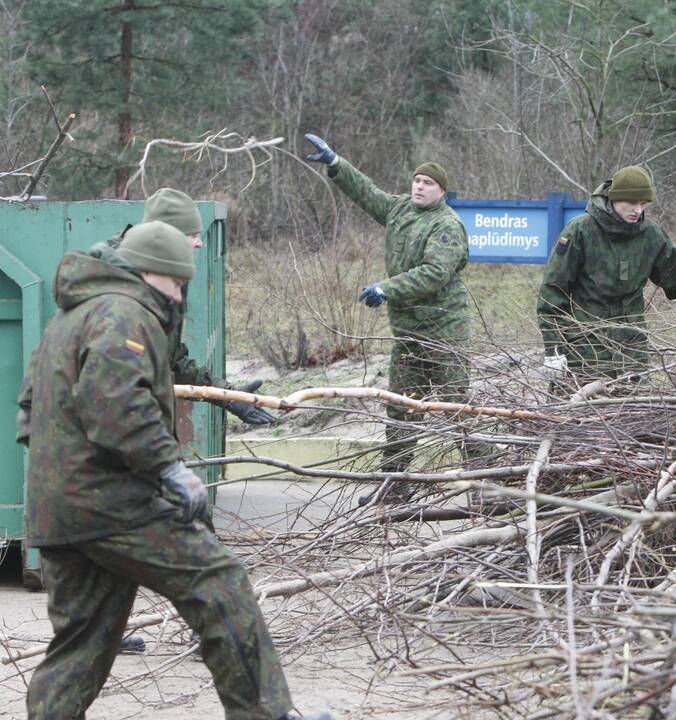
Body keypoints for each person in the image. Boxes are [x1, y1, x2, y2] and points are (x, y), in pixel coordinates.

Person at [15, 222, 329, 720]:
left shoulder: (73, 314)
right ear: (149, 273)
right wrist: (168, 468)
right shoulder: (124, 312)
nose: (179, 296)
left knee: (83, 643)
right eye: (176, 284)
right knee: (217, 579)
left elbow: (28, 409)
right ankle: (264, 713)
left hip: (59, 508)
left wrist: (62, 480)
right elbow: (115, 405)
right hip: (111, 502)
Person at [304, 134, 472, 488]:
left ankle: (492, 486)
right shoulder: (399, 209)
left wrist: (386, 288)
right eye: (417, 180)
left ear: (441, 191)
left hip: (444, 335)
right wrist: (336, 163)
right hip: (409, 334)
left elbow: (434, 274)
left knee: (459, 410)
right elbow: (366, 193)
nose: (420, 187)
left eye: (428, 183)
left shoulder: (447, 225)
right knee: (400, 409)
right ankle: (394, 487)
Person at [102, 188, 274, 425]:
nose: (200, 243)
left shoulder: (165, 278)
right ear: (167, 236)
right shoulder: (115, 287)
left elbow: (170, 359)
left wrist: (228, 395)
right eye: (193, 235)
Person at [536, 165, 676, 386]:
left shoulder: (651, 235)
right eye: (631, 202)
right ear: (613, 199)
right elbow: (552, 293)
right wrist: (553, 350)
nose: (637, 210)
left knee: (633, 415)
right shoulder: (580, 232)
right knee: (578, 414)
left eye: (642, 203)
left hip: (632, 350)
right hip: (584, 349)